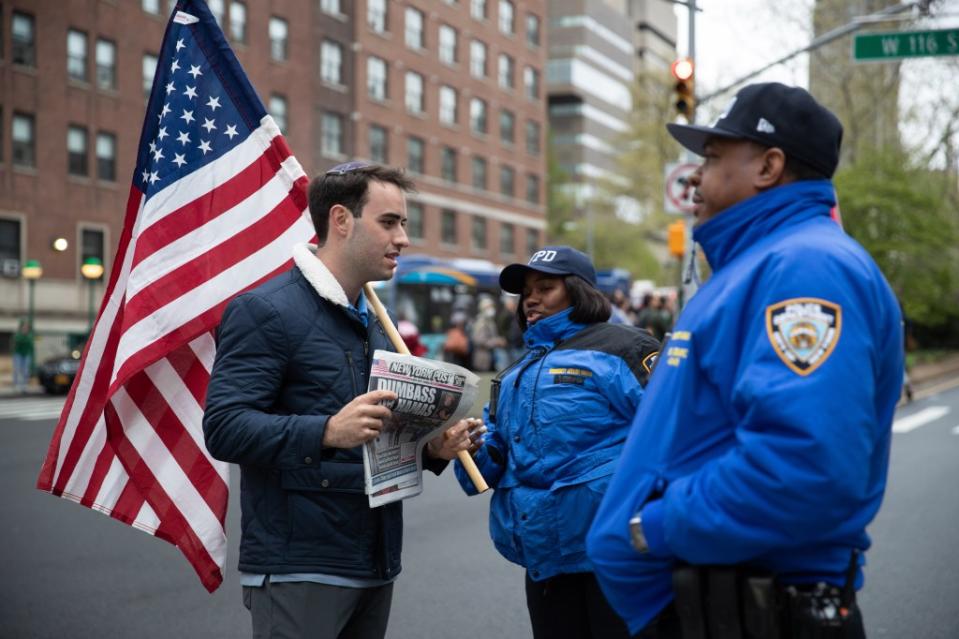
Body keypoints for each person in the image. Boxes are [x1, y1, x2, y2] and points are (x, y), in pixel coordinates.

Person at [586, 83, 904, 638]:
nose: (694, 176)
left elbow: (804, 468)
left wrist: (650, 526)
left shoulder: (805, 268)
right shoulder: (760, 264)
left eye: (710, 158)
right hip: (718, 601)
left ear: (769, 166)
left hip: (757, 608)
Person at [203, 161, 475, 639]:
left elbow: (377, 438)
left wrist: (432, 449)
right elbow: (224, 427)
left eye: (403, 224)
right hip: (300, 565)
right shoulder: (266, 310)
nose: (403, 239)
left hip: (375, 558)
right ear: (341, 221)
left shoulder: (375, 320)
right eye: (389, 222)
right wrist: (326, 431)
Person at [454, 246, 661, 639]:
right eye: (526, 291)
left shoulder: (627, 348)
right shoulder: (517, 373)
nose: (530, 298)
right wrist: (460, 446)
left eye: (545, 287)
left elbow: (675, 435)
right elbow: (492, 464)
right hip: (546, 559)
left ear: (580, 292)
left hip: (616, 558)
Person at [469, 296, 503, 372]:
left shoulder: (489, 321)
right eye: (488, 307)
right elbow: (478, 340)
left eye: (492, 306)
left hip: (489, 357)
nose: (491, 309)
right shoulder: (481, 322)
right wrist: (496, 342)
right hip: (483, 359)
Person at [11, 319, 34, 393]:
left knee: (25, 371)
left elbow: (30, 345)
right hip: (18, 354)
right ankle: (15, 385)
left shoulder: (30, 335)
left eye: (27, 327)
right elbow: (17, 340)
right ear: (21, 327)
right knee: (17, 369)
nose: (25, 328)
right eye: (24, 327)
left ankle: (24, 386)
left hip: (26, 355)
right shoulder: (18, 334)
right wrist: (23, 339)